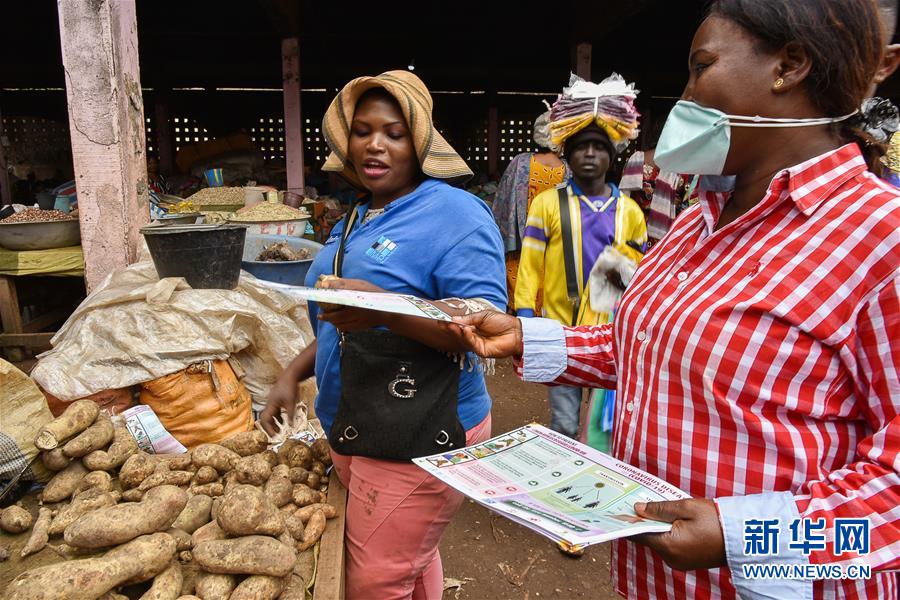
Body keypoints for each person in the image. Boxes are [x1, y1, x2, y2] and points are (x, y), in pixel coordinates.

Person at [447, 1, 899, 598]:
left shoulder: (879, 238)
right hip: (651, 580)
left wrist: (745, 535)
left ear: (788, 66)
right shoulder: (697, 220)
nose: (684, 98)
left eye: (700, 67)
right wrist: (531, 335)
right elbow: (646, 344)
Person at [259, 70, 506, 600]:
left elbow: (484, 329)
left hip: (421, 429)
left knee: (375, 580)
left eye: (394, 133)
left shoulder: (457, 215)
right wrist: (292, 374)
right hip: (361, 421)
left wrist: (386, 309)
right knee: (410, 559)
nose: (375, 144)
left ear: (420, 142)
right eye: (363, 130)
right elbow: (342, 320)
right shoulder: (359, 215)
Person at [515, 74, 646, 449]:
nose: (590, 154)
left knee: (605, 424)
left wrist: (617, 320)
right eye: (581, 147)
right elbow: (531, 264)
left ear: (612, 155)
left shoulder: (629, 212)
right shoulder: (547, 205)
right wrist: (526, 315)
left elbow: (629, 275)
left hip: (609, 337)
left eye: (599, 147)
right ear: (566, 154)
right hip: (559, 332)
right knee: (564, 421)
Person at [492, 110, 569, 312]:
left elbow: (502, 200)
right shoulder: (567, 170)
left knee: (520, 298)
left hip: (520, 245)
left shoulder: (521, 162)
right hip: (552, 249)